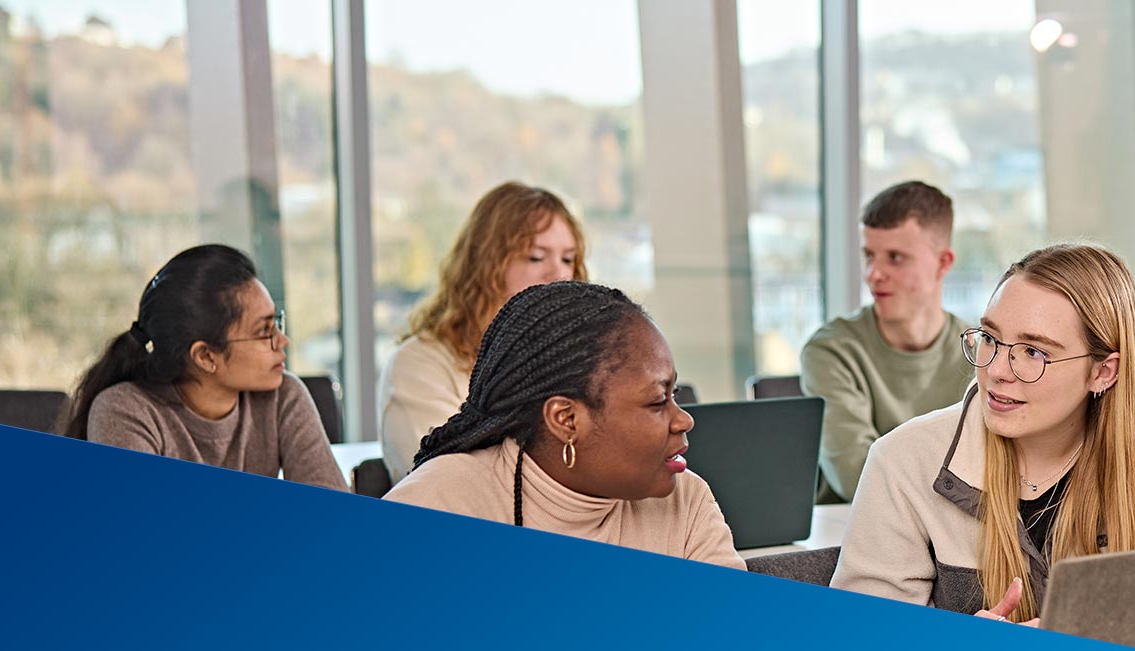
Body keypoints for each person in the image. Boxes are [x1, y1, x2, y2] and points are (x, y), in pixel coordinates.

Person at [831, 242, 1135, 651]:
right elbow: (854, 646)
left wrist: (1091, 639)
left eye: (1032, 352)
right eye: (990, 338)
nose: (998, 371)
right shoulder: (902, 460)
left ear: (1103, 372)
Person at [386, 281, 744, 570]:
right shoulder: (436, 507)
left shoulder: (687, 500)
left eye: (674, 394)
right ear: (566, 419)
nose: (684, 419)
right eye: (656, 402)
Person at [63, 244, 347, 491]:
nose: (282, 340)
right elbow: (142, 532)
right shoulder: (125, 411)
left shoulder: (284, 395)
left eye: (277, 323)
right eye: (264, 331)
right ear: (206, 357)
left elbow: (336, 519)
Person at [379, 182, 587, 482]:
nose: (560, 275)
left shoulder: (580, 362)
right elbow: (453, 485)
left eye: (568, 259)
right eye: (536, 257)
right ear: (486, 268)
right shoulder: (417, 365)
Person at [800, 180, 975, 502]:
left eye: (895, 258)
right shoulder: (830, 351)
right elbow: (858, 477)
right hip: (854, 537)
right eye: (869, 255)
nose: (873, 274)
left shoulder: (982, 352)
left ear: (943, 263)